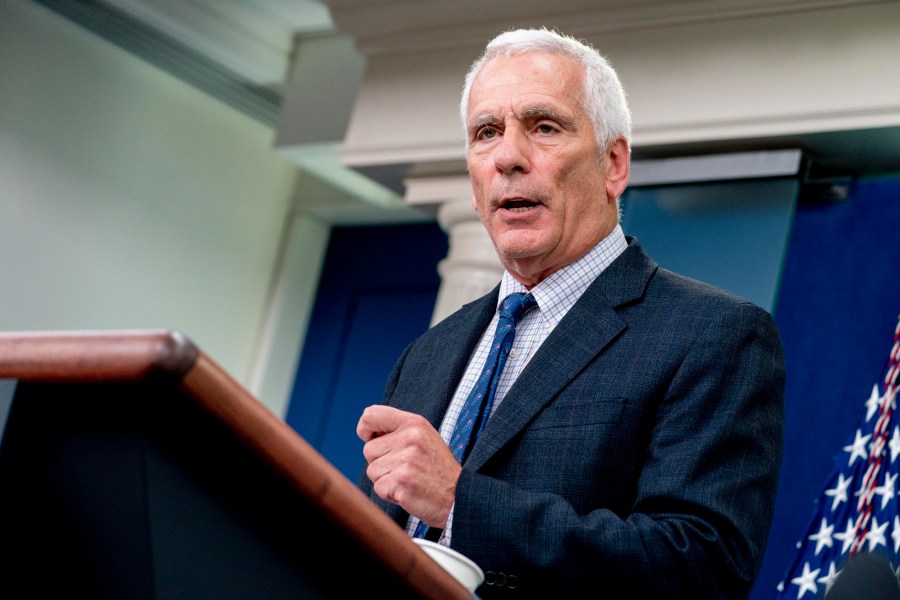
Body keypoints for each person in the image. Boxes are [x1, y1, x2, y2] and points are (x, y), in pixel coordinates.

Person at [356, 27, 785, 598]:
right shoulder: (428, 354)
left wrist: (464, 502)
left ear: (613, 164)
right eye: (487, 133)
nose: (508, 156)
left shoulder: (714, 335)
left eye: (544, 127)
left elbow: (701, 565)